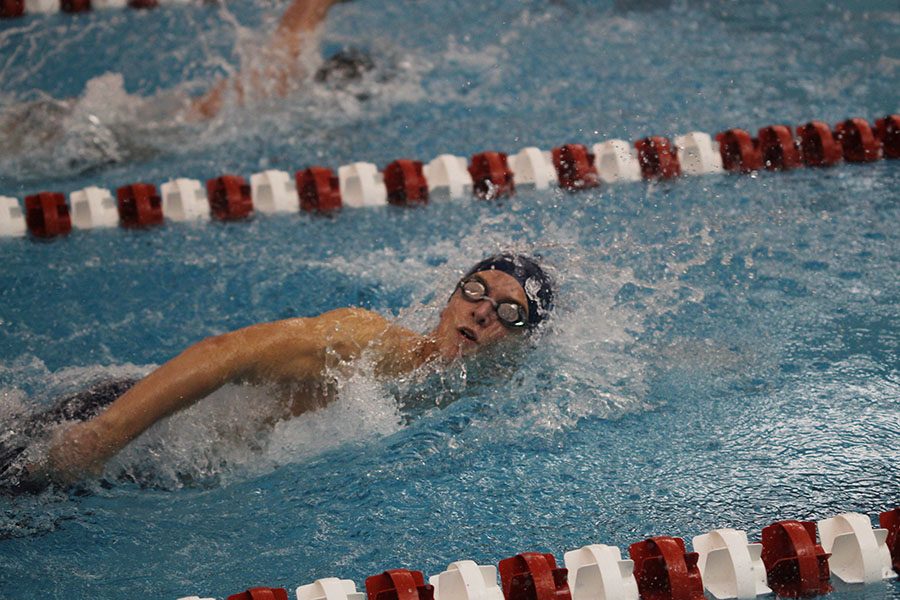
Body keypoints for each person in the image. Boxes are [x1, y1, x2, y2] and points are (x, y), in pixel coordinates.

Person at [10, 254, 554, 491]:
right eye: (477, 290)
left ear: (520, 343)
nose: (483, 311)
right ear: (450, 297)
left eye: (510, 312)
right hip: (132, 433)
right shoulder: (368, 343)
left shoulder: (470, 399)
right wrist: (96, 439)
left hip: (163, 471)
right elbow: (227, 353)